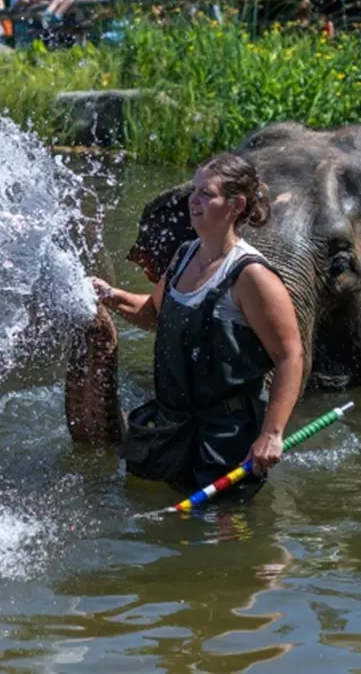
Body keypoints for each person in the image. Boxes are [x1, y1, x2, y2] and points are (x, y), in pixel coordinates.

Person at [91, 154, 304, 494]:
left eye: (207, 193)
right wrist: (108, 294)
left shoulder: (252, 276)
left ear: (236, 205)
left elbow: (290, 356)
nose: (194, 200)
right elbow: (152, 314)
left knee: (223, 535)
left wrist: (271, 434)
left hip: (226, 437)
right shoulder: (184, 255)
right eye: (194, 191)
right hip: (171, 425)